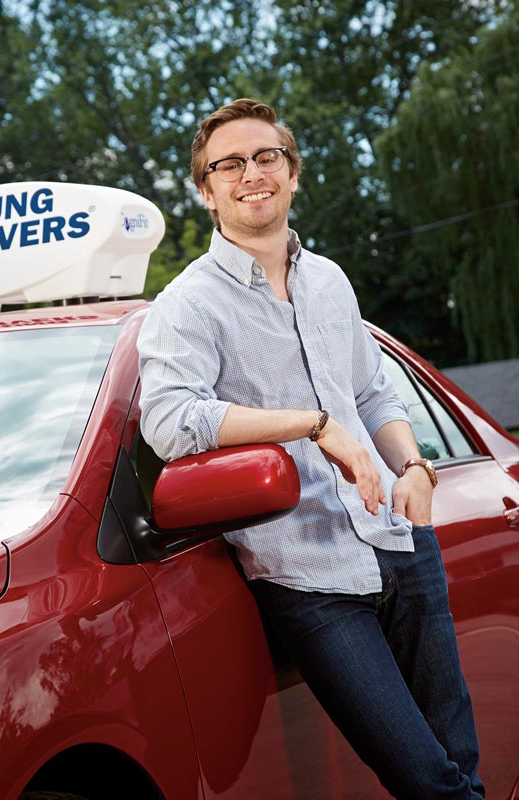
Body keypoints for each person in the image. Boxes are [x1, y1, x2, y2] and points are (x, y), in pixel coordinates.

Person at [136, 98, 485, 800]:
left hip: (401, 540)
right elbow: (169, 420)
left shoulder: (330, 280)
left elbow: (376, 394)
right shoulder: (186, 305)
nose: (251, 173)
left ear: (292, 174)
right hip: (308, 577)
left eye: (266, 157)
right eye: (228, 164)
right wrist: (312, 425)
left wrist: (413, 465)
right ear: (206, 190)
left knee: (460, 765)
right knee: (429, 781)